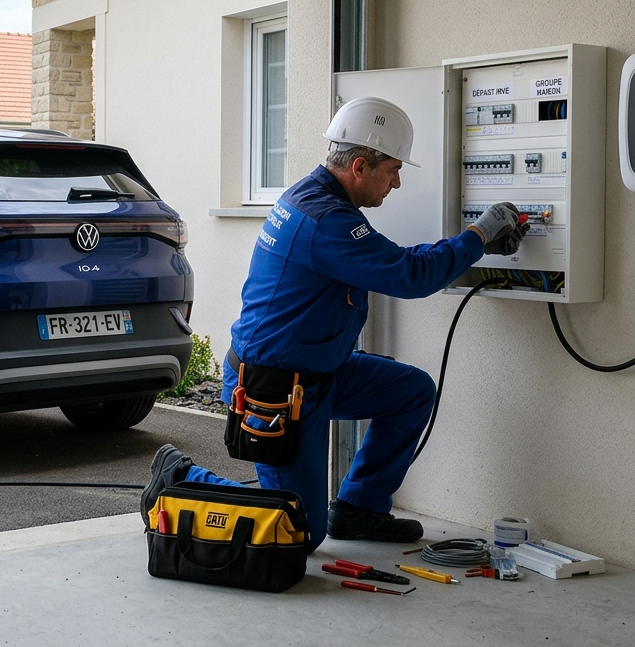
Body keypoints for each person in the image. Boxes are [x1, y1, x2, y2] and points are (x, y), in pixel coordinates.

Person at [142, 97, 526, 548]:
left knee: (411, 392)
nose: (397, 183)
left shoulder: (314, 198)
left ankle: (360, 508)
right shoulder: (326, 221)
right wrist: (479, 235)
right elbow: (410, 274)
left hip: (319, 373)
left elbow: (395, 261)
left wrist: (473, 247)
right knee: (298, 532)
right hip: (275, 391)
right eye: (392, 171)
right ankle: (182, 475)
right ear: (360, 166)